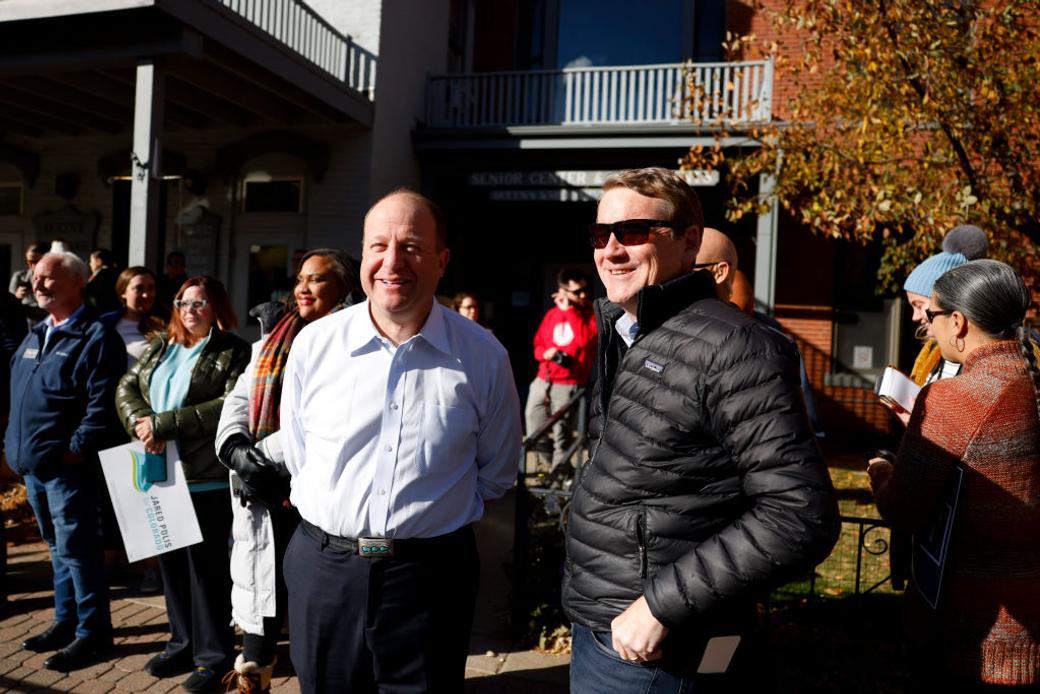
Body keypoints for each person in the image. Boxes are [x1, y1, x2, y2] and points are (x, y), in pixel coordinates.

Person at [563, 168, 839, 692]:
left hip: (659, 652)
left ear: (690, 241)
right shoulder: (630, 332)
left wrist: (659, 606)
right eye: (602, 235)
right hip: (606, 630)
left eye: (635, 232)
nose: (612, 249)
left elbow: (799, 514)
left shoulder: (735, 346)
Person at [280, 189, 522, 693]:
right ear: (363, 256)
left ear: (442, 261)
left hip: (430, 578)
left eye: (411, 246)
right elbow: (299, 452)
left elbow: (497, 470)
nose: (393, 262)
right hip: (325, 570)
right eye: (378, 246)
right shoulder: (314, 346)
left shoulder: (482, 356)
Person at [868, 259, 1040, 687]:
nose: (927, 325)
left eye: (931, 315)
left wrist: (881, 471)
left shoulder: (953, 396)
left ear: (958, 322)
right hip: (1027, 622)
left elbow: (901, 508)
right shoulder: (1030, 380)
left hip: (968, 637)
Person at [215, 249, 357, 693]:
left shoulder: (355, 342)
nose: (302, 288)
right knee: (260, 606)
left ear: (344, 288)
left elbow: (326, 419)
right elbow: (239, 398)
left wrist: (264, 455)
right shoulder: (275, 336)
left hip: (315, 497)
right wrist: (236, 448)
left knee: (315, 620)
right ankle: (253, 681)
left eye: (316, 280)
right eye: (300, 278)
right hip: (263, 492)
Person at [115, 276, 250, 693]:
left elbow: (227, 407)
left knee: (205, 572)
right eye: (183, 302)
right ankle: (182, 642)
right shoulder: (160, 345)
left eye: (200, 302)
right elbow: (126, 386)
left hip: (203, 478)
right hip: (159, 472)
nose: (190, 309)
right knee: (171, 567)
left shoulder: (233, 351)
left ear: (216, 307)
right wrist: (142, 426)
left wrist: (162, 425)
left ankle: (214, 658)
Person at [4, 252, 127, 671]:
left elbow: (101, 406)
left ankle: (93, 633)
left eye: (48, 278)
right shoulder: (37, 332)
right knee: (57, 548)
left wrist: (74, 449)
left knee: (79, 550)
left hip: (67, 467)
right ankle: (65, 620)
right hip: (36, 466)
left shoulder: (95, 336)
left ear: (77, 282)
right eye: (36, 278)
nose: (38, 285)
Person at [523, 268, 597, 479]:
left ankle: (557, 483)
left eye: (585, 290)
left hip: (569, 382)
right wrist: (546, 354)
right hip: (543, 379)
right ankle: (551, 472)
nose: (583, 295)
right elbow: (537, 344)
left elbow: (585, 341)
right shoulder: (552, 315)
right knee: (534, 423)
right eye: (577, 291)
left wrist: (570, 312)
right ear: (562, 291)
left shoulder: (590, 313)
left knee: (561, 434)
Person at [104, 266, 166, 368]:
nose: (146, 295)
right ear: (123, 292)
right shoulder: (104, 324)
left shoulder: (167, 324)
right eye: (139, 289)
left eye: (151, 288)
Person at [85, 248, 121, 314]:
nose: (90, 264)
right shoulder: (119, 273)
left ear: (99, 261)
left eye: (91, 261)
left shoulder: (99, 276)